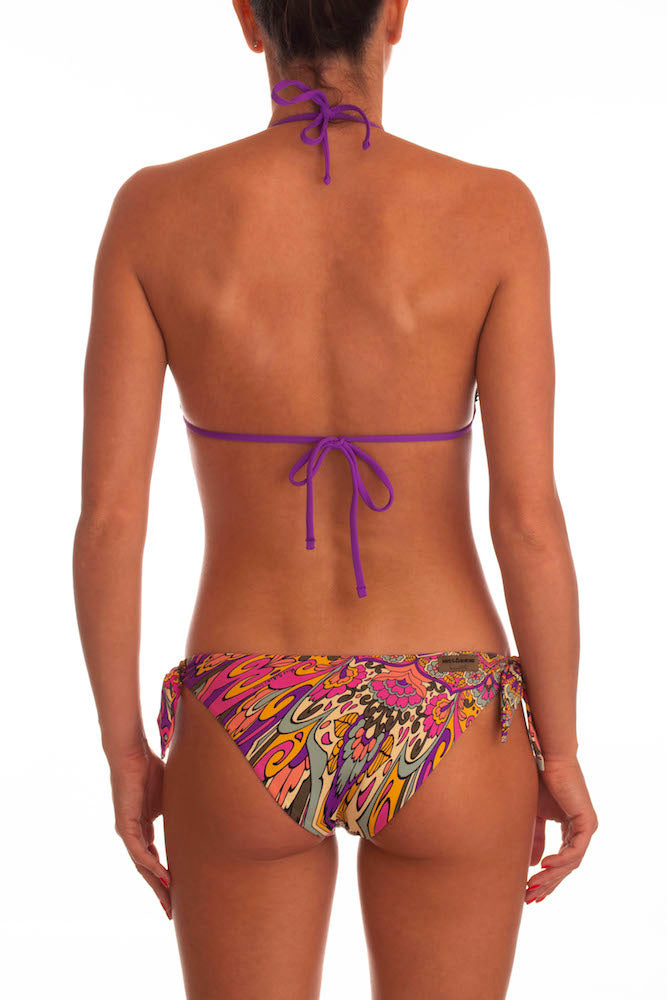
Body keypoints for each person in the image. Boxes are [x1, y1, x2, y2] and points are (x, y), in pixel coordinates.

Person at [73, 0, 598, 996]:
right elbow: (527, 520)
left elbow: (110, 521)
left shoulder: (155, 212)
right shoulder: (492, 211)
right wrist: (561, 748)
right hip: (449, 710)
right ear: (394, 14)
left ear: (248, 18)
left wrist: (124, 750)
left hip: (243, 703)